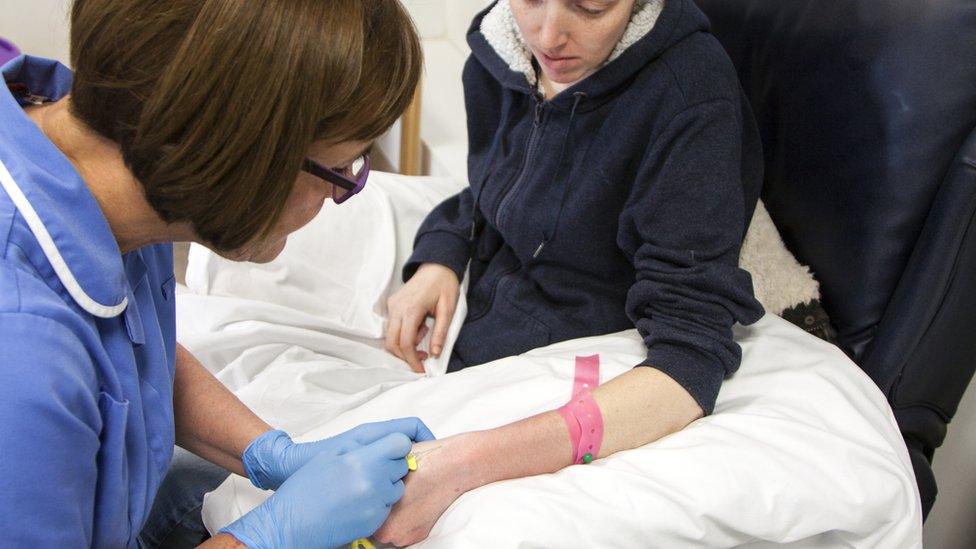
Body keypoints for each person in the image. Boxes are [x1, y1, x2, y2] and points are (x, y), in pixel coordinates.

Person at [0, 0, 433, 547]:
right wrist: (268, 536)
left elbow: (129, 353)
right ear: (236, 153)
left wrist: (267, 452)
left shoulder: (122, 176)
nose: (340, 195)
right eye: (340, 169)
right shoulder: (22, 355)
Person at [380, 0, 765, 544]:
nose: (549, 34)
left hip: (569, 359)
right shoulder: (500, 51)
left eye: (591, 6)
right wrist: (441, 258)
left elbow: (689, 360)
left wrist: (466, 465)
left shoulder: (691, 99)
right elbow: (498, 189)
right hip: (476, 335)